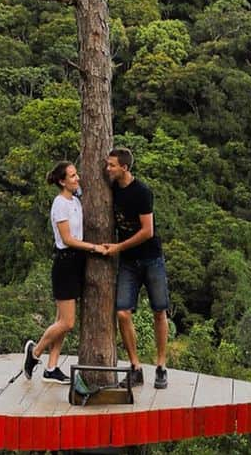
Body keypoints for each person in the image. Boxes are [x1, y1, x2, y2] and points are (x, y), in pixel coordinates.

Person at [23, 160, 103, 382]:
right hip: (65, 262)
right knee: (67, 322)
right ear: (62, 181)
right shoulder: (60, 204)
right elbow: (68, 239)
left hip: (77, 262)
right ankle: (35, 353)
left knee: (62, 320)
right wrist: (95, 247)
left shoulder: (76, 201)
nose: (77, 179)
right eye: (72, 176)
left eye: (76, 175)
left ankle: (51, 368)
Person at [102, 146, 169, 389]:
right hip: (129, 262)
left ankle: (161, 366)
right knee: (122, 312)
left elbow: (147, 231)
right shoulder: (110, 189)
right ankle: (135, 366)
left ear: (125, 168)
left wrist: (118, 247)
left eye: (112, 165)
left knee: (159, 311)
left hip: (151, 258)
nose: (107, 169)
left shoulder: (141, 192)